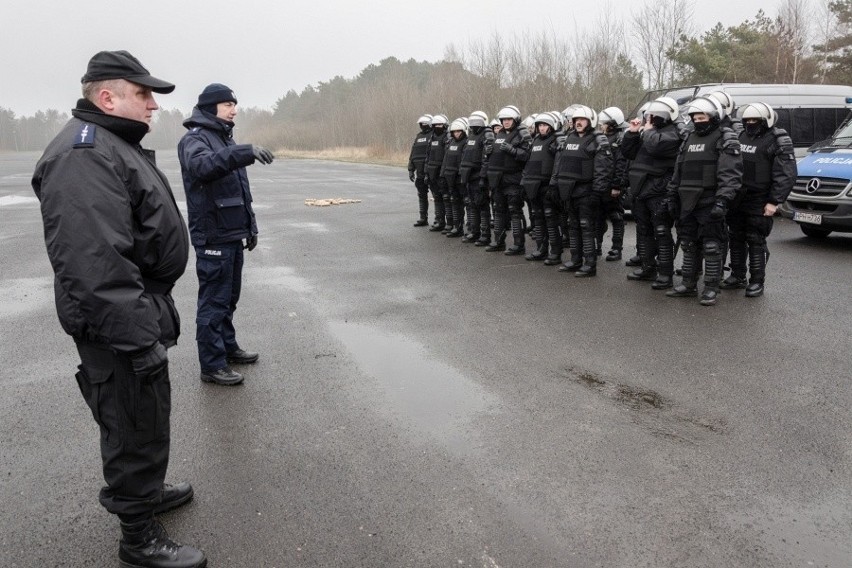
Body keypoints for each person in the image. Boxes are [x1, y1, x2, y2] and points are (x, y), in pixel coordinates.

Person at [32, 50, 206, 567]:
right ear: (107, 97)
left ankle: (146, 493)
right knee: (130, 419)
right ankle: (138, 536)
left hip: (136, 310)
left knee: (146, 414)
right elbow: (95, 265)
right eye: (143, 94)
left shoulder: (110, 144)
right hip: (118, 323)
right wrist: (136, 337)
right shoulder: (84, 155)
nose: (154, 104)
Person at [178, 83, 274, 386]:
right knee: (214, 301)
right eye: (227, 104)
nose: (234, 110)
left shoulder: (222, 139)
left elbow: (239, 193)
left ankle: (227, 348)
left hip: (231, 233)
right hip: (213, 236)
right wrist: (243, 151)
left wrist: (250, 227)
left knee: (229, 298)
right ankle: (211, 364)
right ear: (210, 108)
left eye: (235, 104)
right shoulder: (195, 140)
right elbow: (202, 167)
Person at [664, 96, 743, 306]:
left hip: (709, 200)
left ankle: (710, 288)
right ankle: (688, 285)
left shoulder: (725, 137)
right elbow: (678, 170)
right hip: (686, 200)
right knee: (689, 244)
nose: (698, 120)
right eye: (695, 117)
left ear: (713, 116)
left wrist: (722, 201)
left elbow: (730, 174)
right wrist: (672, 195)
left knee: (711, 246)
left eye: (702, 116)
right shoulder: (688, 137)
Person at [720, 102, 796, 296]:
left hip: (760, 198)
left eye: (755, 120)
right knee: (735, 237)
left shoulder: (778, 139)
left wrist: (774, 201)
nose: (751, 123)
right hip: (738, 196)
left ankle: (757, 281)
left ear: (766, 120)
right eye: (748, 120)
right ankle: (737, 275)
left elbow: (786, 174)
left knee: (755, 240)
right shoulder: (741, 135)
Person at [621, 96, 686, 289]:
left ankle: (665, 274)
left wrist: (646, 131)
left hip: (660, 190)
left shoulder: (674, 133)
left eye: (655, 115)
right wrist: (632, 133)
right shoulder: (649, 133)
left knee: (661, 232)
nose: (651, 118)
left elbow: (656, 146)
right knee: (644, 230)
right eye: (649, 115)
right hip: (641, 189)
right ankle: (648, 267)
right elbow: (628, 153)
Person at [550, 105, 614, 277]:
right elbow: (559, 164)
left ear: (590, 121)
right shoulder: (568, 138)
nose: (578, 123)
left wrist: (597, 193)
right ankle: (575, 259)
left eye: (582, 120)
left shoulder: (598, 140)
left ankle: (590, 264)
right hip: (569, 191)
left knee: (587, 227)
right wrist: (554, 184)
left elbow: (604, 169)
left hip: (587, 191)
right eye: (576, 120)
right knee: (573, 226)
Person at [482, 105, 532, 254]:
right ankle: (498, 241)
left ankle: (519, 244)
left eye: (509, 119)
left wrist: (513, 150)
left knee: (514, 211)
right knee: (498, 210)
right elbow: (496, 156)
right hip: (498, 180)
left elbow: (527, 156)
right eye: (504, 120)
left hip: (514, 179)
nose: (506, 122)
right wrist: (489, 152)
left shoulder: (522, 134)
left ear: (515, 120)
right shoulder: (500, 134)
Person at [521, 112, 560, 261]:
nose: (542, 128)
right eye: (540, 126)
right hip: (533, 185)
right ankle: (541, 249)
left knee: (550, 219)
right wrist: (524, 183)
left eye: (545, 125)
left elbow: (557, 164)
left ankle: (555, 252)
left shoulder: (555, 140)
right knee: (538, 218)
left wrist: (553, 184)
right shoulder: (535, 140)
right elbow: (529, 163)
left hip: (547, 186)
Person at [596, 106, 629, 261]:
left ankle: (616, 248)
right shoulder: (600, 137)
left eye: (604, 122)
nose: (601, 125)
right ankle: (597, 246)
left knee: (616, 216)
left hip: (613, 185)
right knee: (598, 216)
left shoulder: (620, 139)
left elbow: (621, 165)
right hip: (600, 184)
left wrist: (617, 186)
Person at [459, 111, 494, 245]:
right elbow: (465, 155)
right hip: (469, 176)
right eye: (472, 122)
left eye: (477, 122)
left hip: (479, 175)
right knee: (472, 206)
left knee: (482, 206)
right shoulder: (471, 135)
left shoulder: (487, 134)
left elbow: (486, 158)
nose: (474, 125)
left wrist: (483, 177)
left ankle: (485, 235)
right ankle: (474, 232)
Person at [441, 118, 469, 237]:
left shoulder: (466, 143)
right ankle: (457, 226)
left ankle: (470, 227)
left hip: (460, 178)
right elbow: (445, 161)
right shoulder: (450, 143)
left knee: (466, 202)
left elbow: (465, 162)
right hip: (450, 177)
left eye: (459, 131)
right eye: (455, 132)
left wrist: (463, 177)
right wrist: (442, 175)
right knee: (454, 202)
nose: (457, 133)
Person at [407, 114, 433, 226]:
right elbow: (413, 154)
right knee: (422, 195)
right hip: (419, 172)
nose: (422, 126)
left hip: (431, 171)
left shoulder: (433, 135)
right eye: (421, 124)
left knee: (438, 197)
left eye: (424, 124)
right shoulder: (418, 136)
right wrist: (410, 169)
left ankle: (441, 220)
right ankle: (423, 218)